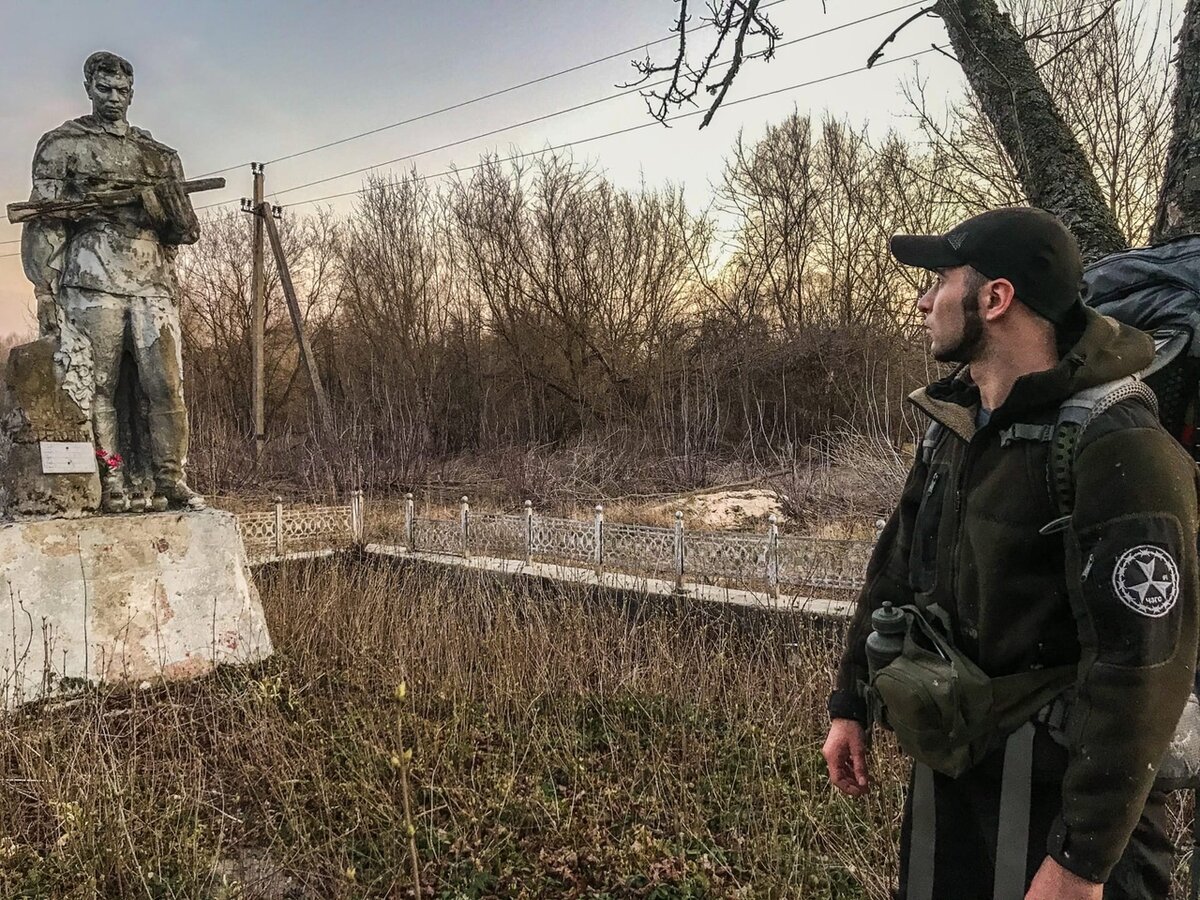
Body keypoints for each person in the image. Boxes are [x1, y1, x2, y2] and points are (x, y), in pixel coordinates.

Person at [822, 207, 1200, 899]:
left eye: (939, 279)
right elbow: (897, 568)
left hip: (1068, 812)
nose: (922, 300)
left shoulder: (1122, 447)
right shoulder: (954, 425)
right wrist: (850, 701)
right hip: (959, 778)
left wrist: (1081, 864)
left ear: (995, 298)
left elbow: (1142, 669)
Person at [21, 50, 205, 511]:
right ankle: (112, 476)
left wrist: (162, 207)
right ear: (88, 87)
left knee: (165, 384)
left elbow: (186, 230)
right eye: (104, 88)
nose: (114, 98)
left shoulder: (158, 155)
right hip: (90, 279)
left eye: (122, 90)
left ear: (133, 92)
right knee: (96, 384)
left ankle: (169, 477)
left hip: (152, 284)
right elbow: (44, 221)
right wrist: (45, 289)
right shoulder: (61, 146)